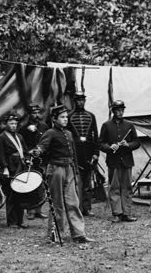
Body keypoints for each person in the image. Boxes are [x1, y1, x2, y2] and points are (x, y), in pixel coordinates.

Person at [31, 104, 94, 244]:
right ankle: (55, 234)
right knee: (57, 203)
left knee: (73, 202)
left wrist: (76, 170)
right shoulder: (50, 133)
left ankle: (79, 234)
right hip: (56, 170)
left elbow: (73, 153)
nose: (66, 119)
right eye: (62, 117)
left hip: (69, 169)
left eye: (66, 117)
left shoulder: (69, 134)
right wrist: (38, 151)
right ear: (54, 119)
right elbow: (42, 146)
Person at [99, 100, 140, 223]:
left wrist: (128, 144)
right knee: (114, 187)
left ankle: (126, 213)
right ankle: (117, 213)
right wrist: (109, 147)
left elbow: (137, 142)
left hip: (127, 161)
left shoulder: (129, 125)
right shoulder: (106, 125)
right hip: (113, 161)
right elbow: (100, 143)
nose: (120, 112)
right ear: (113, 111)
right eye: (118, 110)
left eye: (122, 110)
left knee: (127, 187)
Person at [66, 91, 100, 217]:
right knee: (76, 183)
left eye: (82, 100)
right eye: (78, 100)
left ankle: (87, 207)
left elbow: (96, 136)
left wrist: (96, 153)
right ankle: (77, 208)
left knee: (87, 183)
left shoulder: (91, 116)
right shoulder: (69, 117)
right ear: (75, 101)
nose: (80, 102)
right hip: (75, 153)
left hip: (89, 153)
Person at [0, 111, 29, 228]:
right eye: (11, 123)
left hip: (20, 167)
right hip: (10, 168)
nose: (13, 125)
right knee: (11, 194)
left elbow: (25, 151)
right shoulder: (1, 137)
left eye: (15, 123)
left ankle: (20, 220)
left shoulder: (19, 137)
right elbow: (0, 155)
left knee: (20, 193)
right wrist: (4, 168)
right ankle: (12, 221)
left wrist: (28, 159)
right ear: (6, 124)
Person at [19, 103, 49, 219]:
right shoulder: (23, 128)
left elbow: (47, 142)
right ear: (29, 114)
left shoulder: (44, 127)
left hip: (42, 159)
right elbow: (21, 144)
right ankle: (30, 211)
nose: (36, 115)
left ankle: (38, 210)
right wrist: (28, 152)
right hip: (30, 160)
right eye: (34, 113)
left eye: (38, 113)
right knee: (31, 185)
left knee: (41, 184)